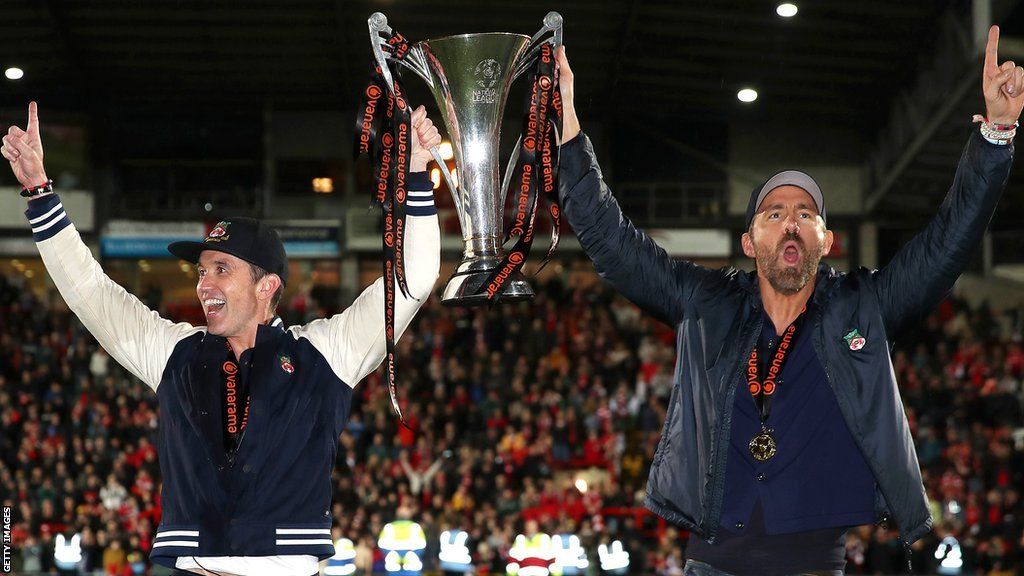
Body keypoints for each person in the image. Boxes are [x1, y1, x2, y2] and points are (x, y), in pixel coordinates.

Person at [552, 24, 1021, 576]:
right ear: (750, 243)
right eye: (774, 214)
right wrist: (567, 128)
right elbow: (613, 242)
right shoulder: (705, 303)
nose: (791, 222)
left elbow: (947, 244)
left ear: (826, 240)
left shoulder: (863, 306)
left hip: (816, 564)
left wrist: (995, 133)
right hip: (712, 563)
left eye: (805, 214)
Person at [2, 102, 443, 576]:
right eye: (201, 271)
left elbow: (414, 277)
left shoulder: (325, 352)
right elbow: (89, 291)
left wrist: (416, 173)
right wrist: (39, 191)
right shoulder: (176, 354)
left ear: (266, 285)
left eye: (221, 269)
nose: (203, 284)